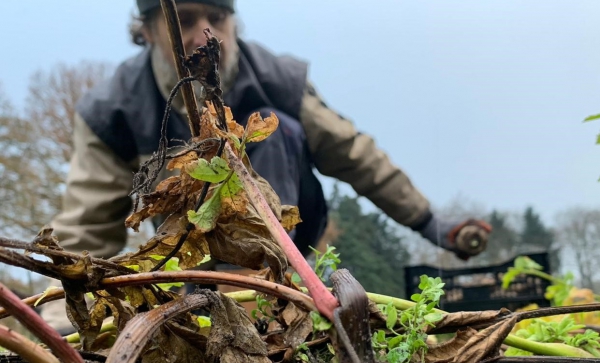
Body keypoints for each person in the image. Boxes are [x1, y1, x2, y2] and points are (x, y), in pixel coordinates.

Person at [41, 0, 491, 333]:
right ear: (149, 31)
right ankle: (207, 297)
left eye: (216, 19)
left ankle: (265, 300)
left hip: (287, 229)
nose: (204, 34)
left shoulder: (277, 80)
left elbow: (356, 157)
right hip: (189, 247)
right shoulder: (114, 110)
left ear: (233, 22)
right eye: (185, 19)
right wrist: (63, 319)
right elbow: (87, 224)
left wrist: (434, 224)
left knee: (284, 130)